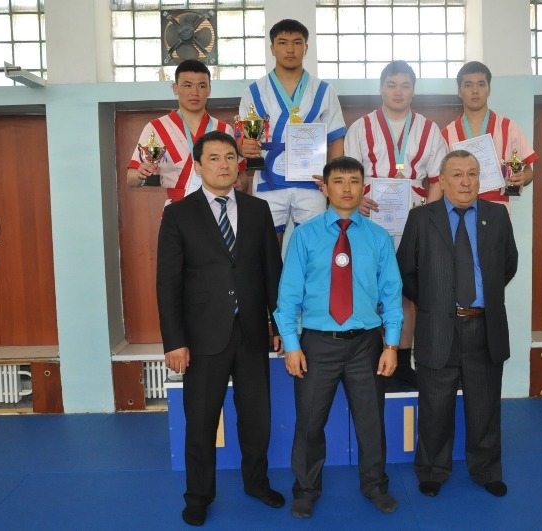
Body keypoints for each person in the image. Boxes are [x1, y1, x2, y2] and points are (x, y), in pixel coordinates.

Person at [156, 130, 285, 526]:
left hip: (251, 333)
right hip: (201, 337)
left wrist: (280, 324)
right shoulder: (178, 214)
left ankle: (256, 482)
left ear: (238, 164)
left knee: (257, 418)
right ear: (198, 166)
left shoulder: (258, 210)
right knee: (201, 421)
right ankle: (198, 495)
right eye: (213, 158)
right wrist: (174, 341)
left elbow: (272, 272)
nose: (223, 164)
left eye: (229, 157)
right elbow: (167, 283)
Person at [274, 156, 404, 519]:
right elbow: (288, 296)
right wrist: (292, 345)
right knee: (309, 422)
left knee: (371, 421)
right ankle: (305, 490)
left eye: (354, 181)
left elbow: (392, 295)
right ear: (326, 188)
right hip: (317, 344)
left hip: (366, 344)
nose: (347, 188)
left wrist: (391, 345)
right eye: (339, 181)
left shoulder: (378, 237)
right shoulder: (305, 236)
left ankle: (375, 486)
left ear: (363, 187)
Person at [396, 150, 518, 499]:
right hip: (438, 327)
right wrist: (434, 305)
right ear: (443, 181)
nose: (466, 182)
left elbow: (507, 265)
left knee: (485, 406)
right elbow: (406, 270)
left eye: (472, 174)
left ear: (480, 179)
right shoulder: (421, 218)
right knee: (435, 406)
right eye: (458, 174)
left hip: (484, 326)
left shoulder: (497, 216)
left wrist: (479, 296)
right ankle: (432, 470)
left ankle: (486, 470)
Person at [344, 59, 447, 390]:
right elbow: (349, 175)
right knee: (368, 289)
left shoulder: (429, 129)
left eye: (405, 85)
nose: (398, 91)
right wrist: (355, 200)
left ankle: (402, 361)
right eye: (391, 85)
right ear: (381, 88)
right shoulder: (360, 127)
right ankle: (370, 358)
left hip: (413, 222)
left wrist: (428, 215)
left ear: (414, 90)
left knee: (405, 291)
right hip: (369, 219)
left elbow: (437, 179)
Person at [239, 19, 347, 243]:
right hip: (268, 177)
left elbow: (336, 139)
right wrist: (244, 147)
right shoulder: (254, 91)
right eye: (283, 42)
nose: (290, 49)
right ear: (272, 48)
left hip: (313, 180)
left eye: (297, 42)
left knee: (315, 244)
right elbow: (242, 138)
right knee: (267, 245)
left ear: (306, 47)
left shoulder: (324, 90)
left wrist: (332, 178)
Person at [128, 60, 245, 207]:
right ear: (175, 88)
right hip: (176, 208)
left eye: (201, 86)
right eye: (188, 85)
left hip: (219, 207)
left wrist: (240, 183)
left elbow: (242, 175)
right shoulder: (156, 128)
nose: (195, 92)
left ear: (209, 89)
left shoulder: (224, 129)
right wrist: (141, 173)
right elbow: (131, 178)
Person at [441, 61, 537, 206]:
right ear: (459, 91)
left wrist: (523, 177)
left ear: (489, 89)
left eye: (481, 84)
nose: (475, 91)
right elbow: (440, 178)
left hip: (498, 208)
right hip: (458, 208)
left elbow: (529, 170)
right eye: (468, 85)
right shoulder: (447, 134)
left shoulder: (508, 127)